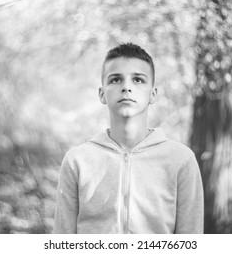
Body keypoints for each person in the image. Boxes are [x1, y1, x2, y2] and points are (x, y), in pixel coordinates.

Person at [54, 43, 204, 234]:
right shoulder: (77, 161)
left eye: (138, 80)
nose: (126, 87)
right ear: (102, 94)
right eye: (116, 79)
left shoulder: (181, 160)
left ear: (153, 94)